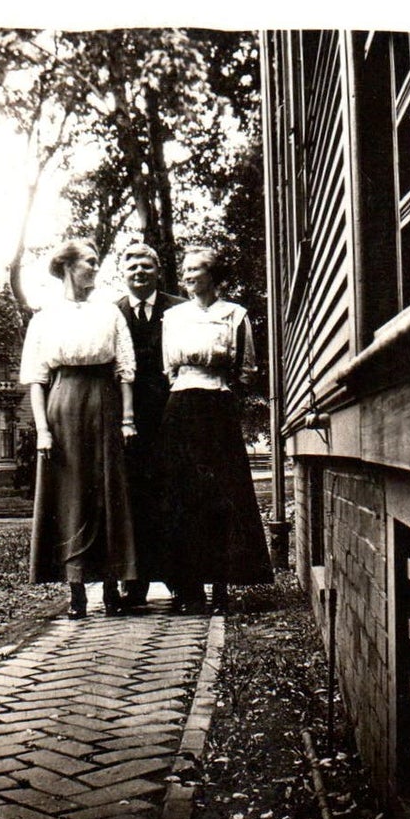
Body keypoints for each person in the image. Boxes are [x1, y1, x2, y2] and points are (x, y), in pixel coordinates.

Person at [19, 239, 138, 618]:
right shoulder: (45, 317)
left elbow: (124, 369)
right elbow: (37, 379)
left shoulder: (109, 313)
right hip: (63, 404)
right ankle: (76, 592)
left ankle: (110, 588)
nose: (94, 269)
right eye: (89, 262)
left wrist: (128, 419)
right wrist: (43, 430)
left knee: (107, 491)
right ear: (68, 267)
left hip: (104, 402)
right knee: (71, 495)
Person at [159, 246, 273, 613]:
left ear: (213, 274)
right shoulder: (173, 317)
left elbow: (247, 368)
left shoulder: (235, 315)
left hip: (217, 405)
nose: (189, 275)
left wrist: (222, 388)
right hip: (180, 406)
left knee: (222, 494)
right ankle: (188, 587)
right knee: (183, 493)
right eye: (185, 270)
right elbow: (168, 368)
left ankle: (221, 584)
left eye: (197, 269)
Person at [103, 242, 185, 613]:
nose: (139, 272)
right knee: (133, 499)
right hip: (127, 422)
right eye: (132, 266)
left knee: (172, 496)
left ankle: (181, 580)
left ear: (158, 272)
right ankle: (134, 584)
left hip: (171, 416)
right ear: (123, 272)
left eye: (146, 266)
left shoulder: (179, 310)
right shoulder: (110, 313)